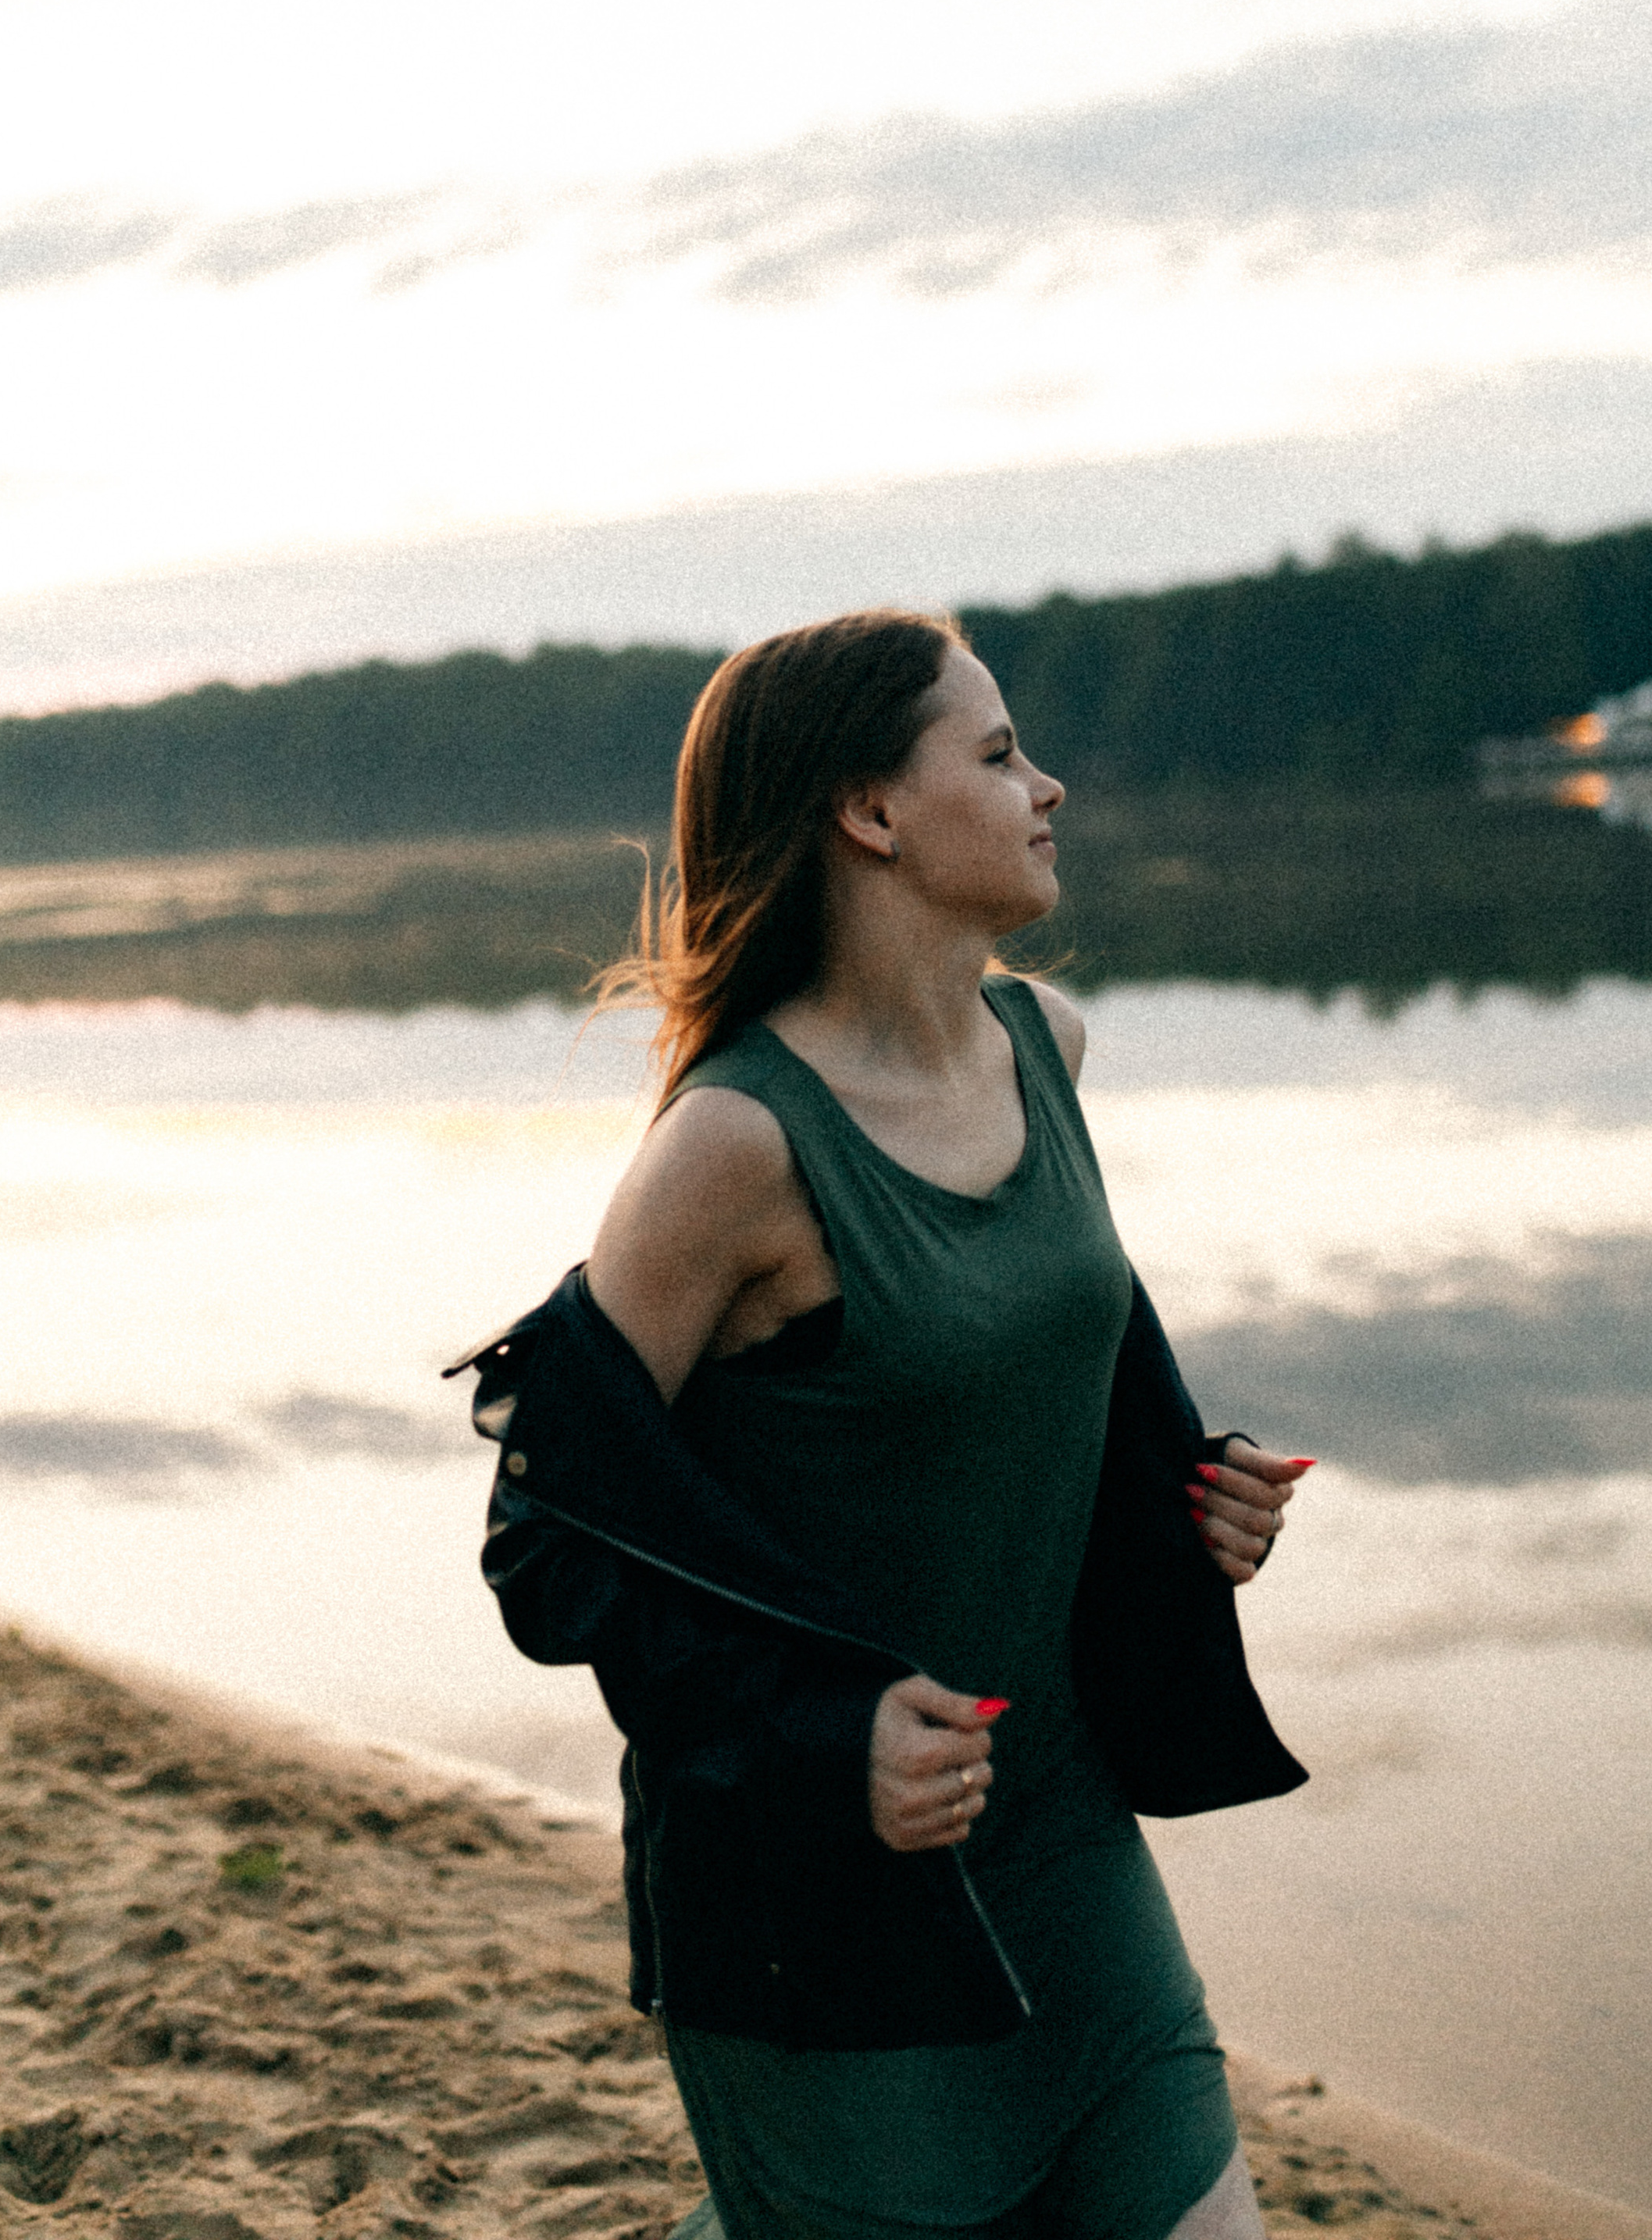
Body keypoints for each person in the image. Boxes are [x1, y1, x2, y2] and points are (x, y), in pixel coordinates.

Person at [466, 610, 1312, 2240]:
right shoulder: (731, 1149)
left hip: (1066, 1839)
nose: (1046, 787)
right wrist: (817, 1735)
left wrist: (1188, 1496)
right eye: (996, 756)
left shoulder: (1045, 1052)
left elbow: (1055, 1367)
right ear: (870, 814)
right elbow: (543, 1537)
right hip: (817, 1903)